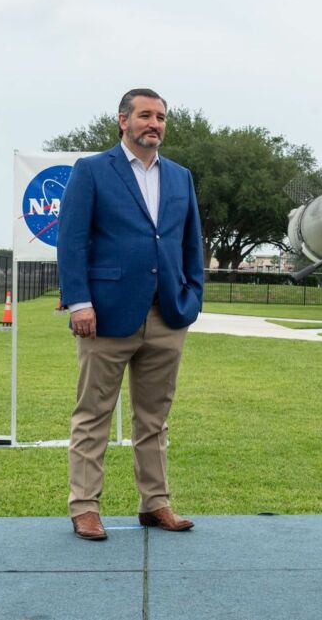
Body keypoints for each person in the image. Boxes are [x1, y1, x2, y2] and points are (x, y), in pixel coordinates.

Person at [57, 88, 204, 540]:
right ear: (123, 120)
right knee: (92, 414)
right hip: (104, 316)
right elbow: (72, 239)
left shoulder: (180, 177)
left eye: (160, 117)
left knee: (154, 418)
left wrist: (192, 295)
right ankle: (84, 507)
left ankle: (155, 503)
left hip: (167, 316)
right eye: (144, 115)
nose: (153, 124)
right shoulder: (93, 171)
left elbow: (189, 242)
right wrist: (79, 302)